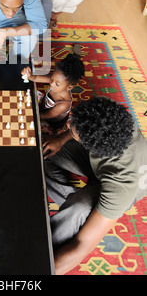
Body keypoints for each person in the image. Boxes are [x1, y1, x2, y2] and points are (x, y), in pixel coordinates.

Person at [42, 96, 147, 275]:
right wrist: (61, 139)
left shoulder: (120, 187)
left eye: (73, 132)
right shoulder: (110, 118)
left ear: (90, 145)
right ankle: (72, 200)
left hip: (121, 184)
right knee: (43, 150)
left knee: (79, 207)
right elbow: (81, 126)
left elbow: (82, 246)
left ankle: (74, 211)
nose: (67, 126)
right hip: (106, 162)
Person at [21, 52, 84, 131]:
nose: (51, 84)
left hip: (50, 122)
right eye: (51, 78)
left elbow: (45, 115)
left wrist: (28, 113)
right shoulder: (56, 80)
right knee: (28, 92)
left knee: (31, 128)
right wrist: (29, 75)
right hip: (44, 107)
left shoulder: (63, 104)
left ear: (70, 87)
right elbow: (35, 78)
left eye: (57, 84)